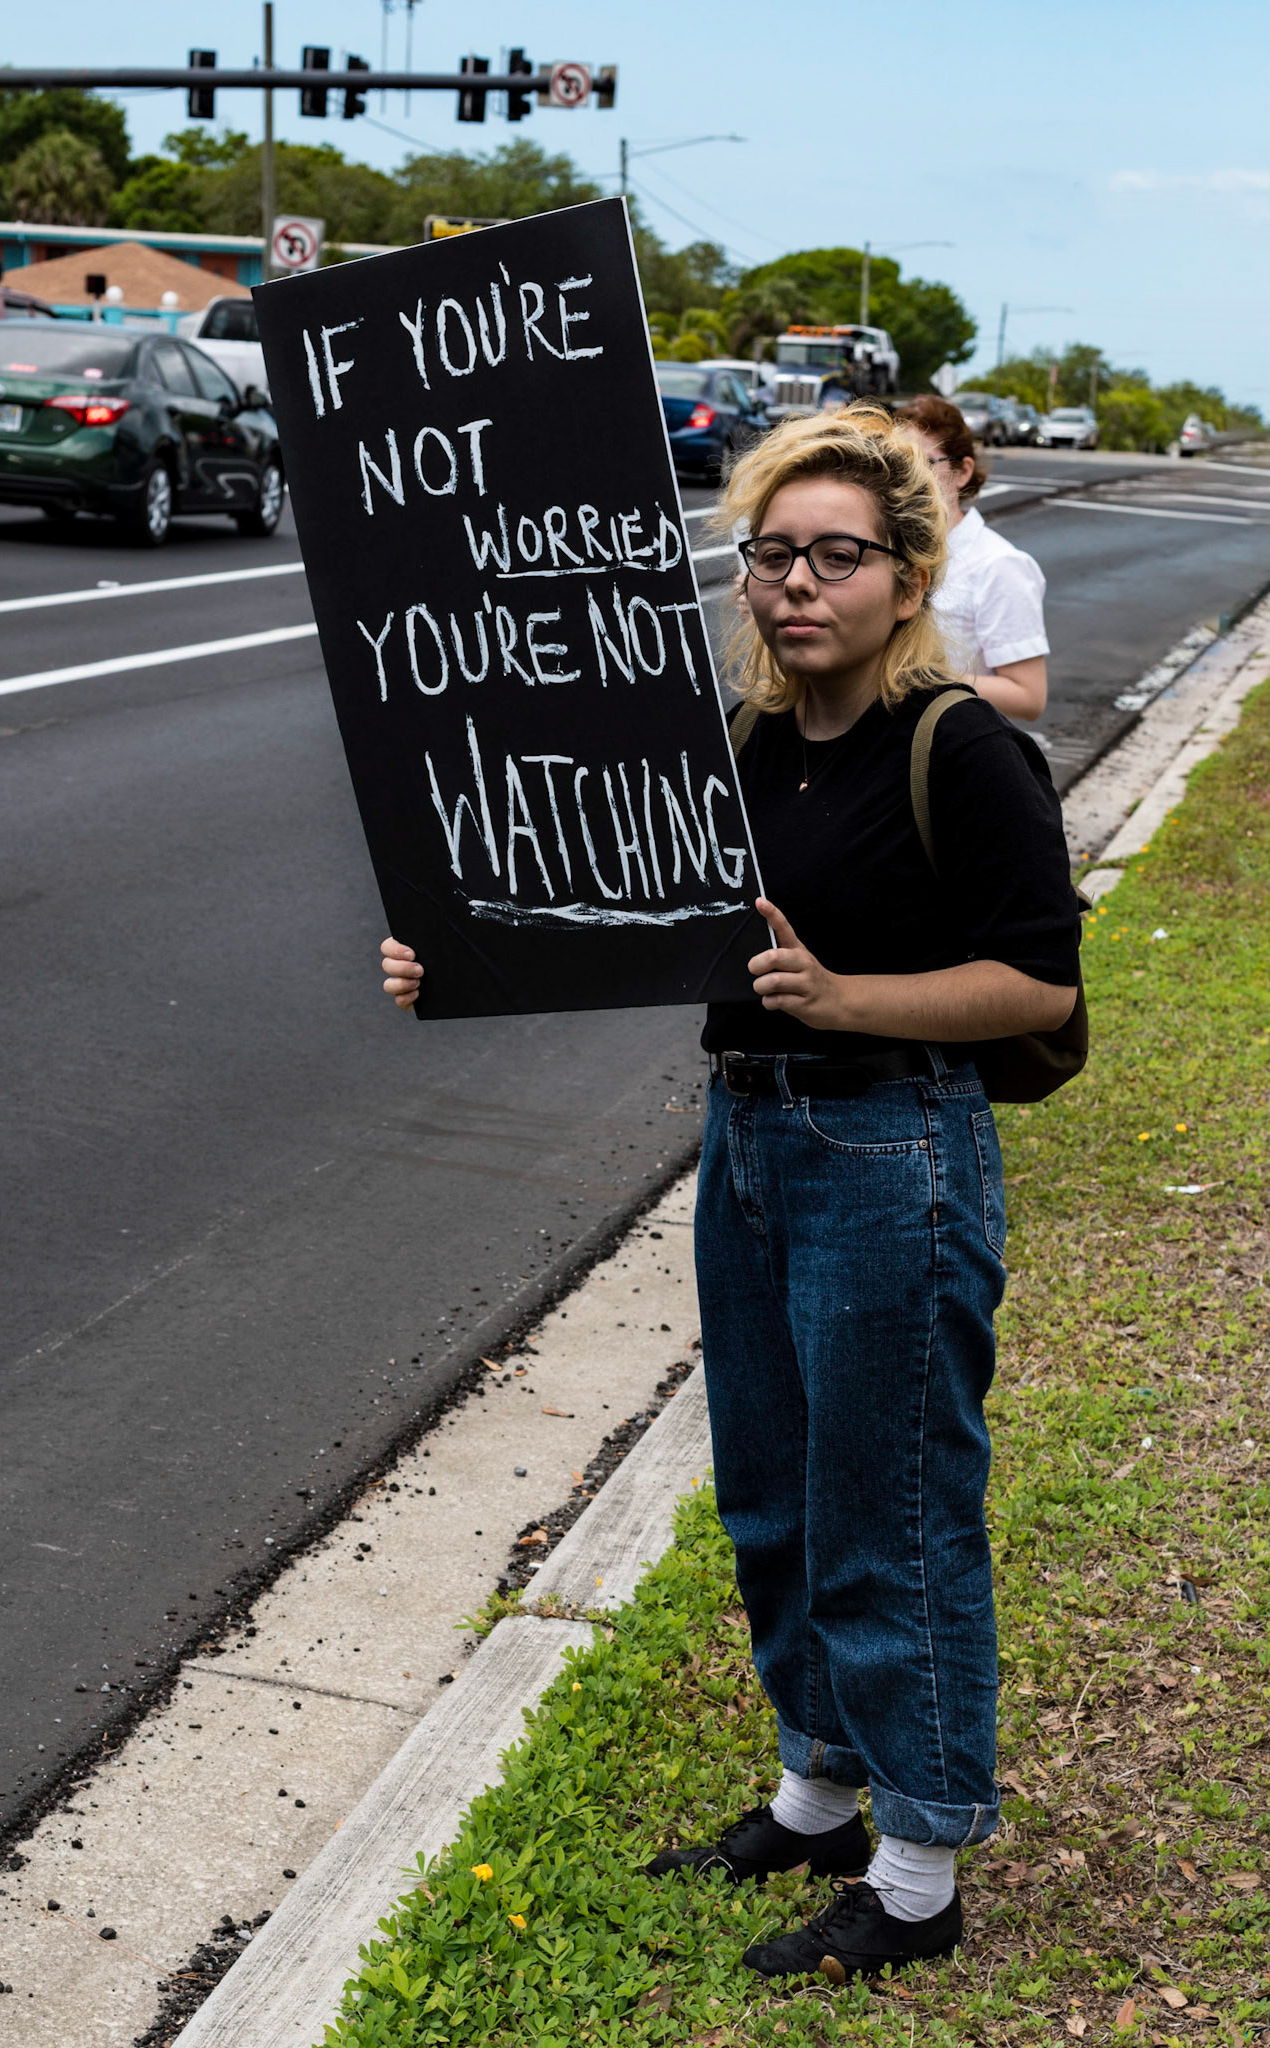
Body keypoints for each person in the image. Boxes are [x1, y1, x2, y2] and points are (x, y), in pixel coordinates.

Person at [379, 405, 1080, 1988]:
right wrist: (453, 962)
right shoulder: (742, 747)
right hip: (749, 1145)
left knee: (885, 1511)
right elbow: (627, 915)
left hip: (888, 1150)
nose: (794, 585)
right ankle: (816, 1793)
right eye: (770, 555)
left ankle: (913, 1871)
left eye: (836, 556)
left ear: (906, 578)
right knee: (769, 1492)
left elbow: (1036, 985)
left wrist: (844, 1000)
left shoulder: (962, 747)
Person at [897, 392, 1049, 722]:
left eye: (923, 463)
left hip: (952, 749)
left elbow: (1029, 697)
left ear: (962, 472)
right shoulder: (891, 550)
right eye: (896, 463)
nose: (906, 478)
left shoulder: (999, 565)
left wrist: (917, 678)